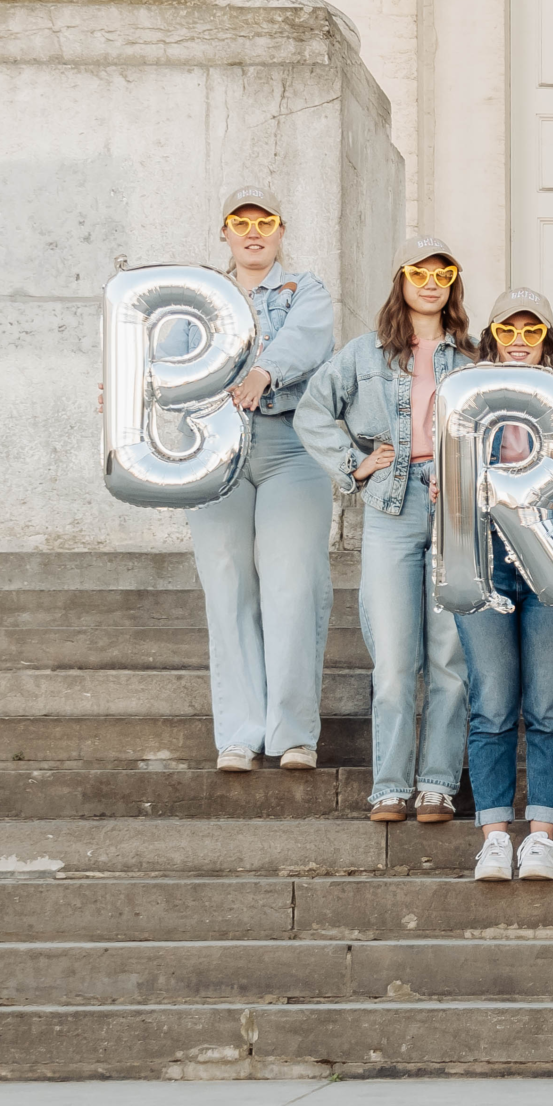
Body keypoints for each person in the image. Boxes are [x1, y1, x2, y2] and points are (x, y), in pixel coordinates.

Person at [295, 236, 475, 823]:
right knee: (395, 657)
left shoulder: (475, 360)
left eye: (442, 272)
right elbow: (312, 411)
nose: (430, 282)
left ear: (453, 283)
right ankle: (391, 786)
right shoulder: (362, 355)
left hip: (457, 515)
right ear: (400, 280)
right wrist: (354, 464)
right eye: (418, 272)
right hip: (391, 509)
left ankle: (438, 784)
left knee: (449, 656)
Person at [191, 186, 334, 774]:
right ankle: (240, 733)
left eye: (265, 221)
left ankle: (293, 734)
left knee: (292, 586)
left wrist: (264, 372)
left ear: (281, 230)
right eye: (240, 222)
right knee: (227, 587)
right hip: (215, 450)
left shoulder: (307, 290)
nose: (253, 232)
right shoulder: (198, 296)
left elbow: (308, 341)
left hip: (290, 446)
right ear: (223, 232)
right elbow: (161, 355)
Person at [459, 288, 553, 883]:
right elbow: (448, 472)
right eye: (508, 331)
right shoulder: (464, 404)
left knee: (548, 705)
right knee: (491, 704)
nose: (520, 341)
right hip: (483, 564)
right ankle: (494, 836)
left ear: (548, 341)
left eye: (532, 332)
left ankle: (541, 836)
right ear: (491, 338)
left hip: (550, 567)